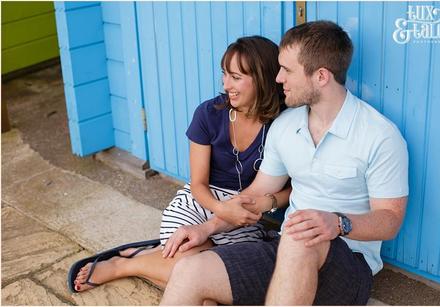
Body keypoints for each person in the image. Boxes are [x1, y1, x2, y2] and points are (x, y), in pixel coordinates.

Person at [160, 20, 409, 306]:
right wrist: (206, 228)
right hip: (284, 248)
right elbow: (255, 194)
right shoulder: (285, 126)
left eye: (287, 70)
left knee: (300, 237)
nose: (278, 78)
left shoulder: (380, 136)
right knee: (190, 271)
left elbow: (390, 220)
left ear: (321, 76)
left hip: (348, 261)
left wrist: (338, 223)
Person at [72, 35, 291, 292]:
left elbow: (295, 188)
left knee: (226, 275)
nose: (226, 83)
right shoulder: (208, 114)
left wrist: (263, 204)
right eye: (224, 74)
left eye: (236, 77)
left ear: (262, 78)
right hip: (202, 201)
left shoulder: (284, 123)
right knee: (196, 268)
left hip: (247, 213)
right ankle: (119, 266)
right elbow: (197, 183)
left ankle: (138, 259)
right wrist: (221, 209)